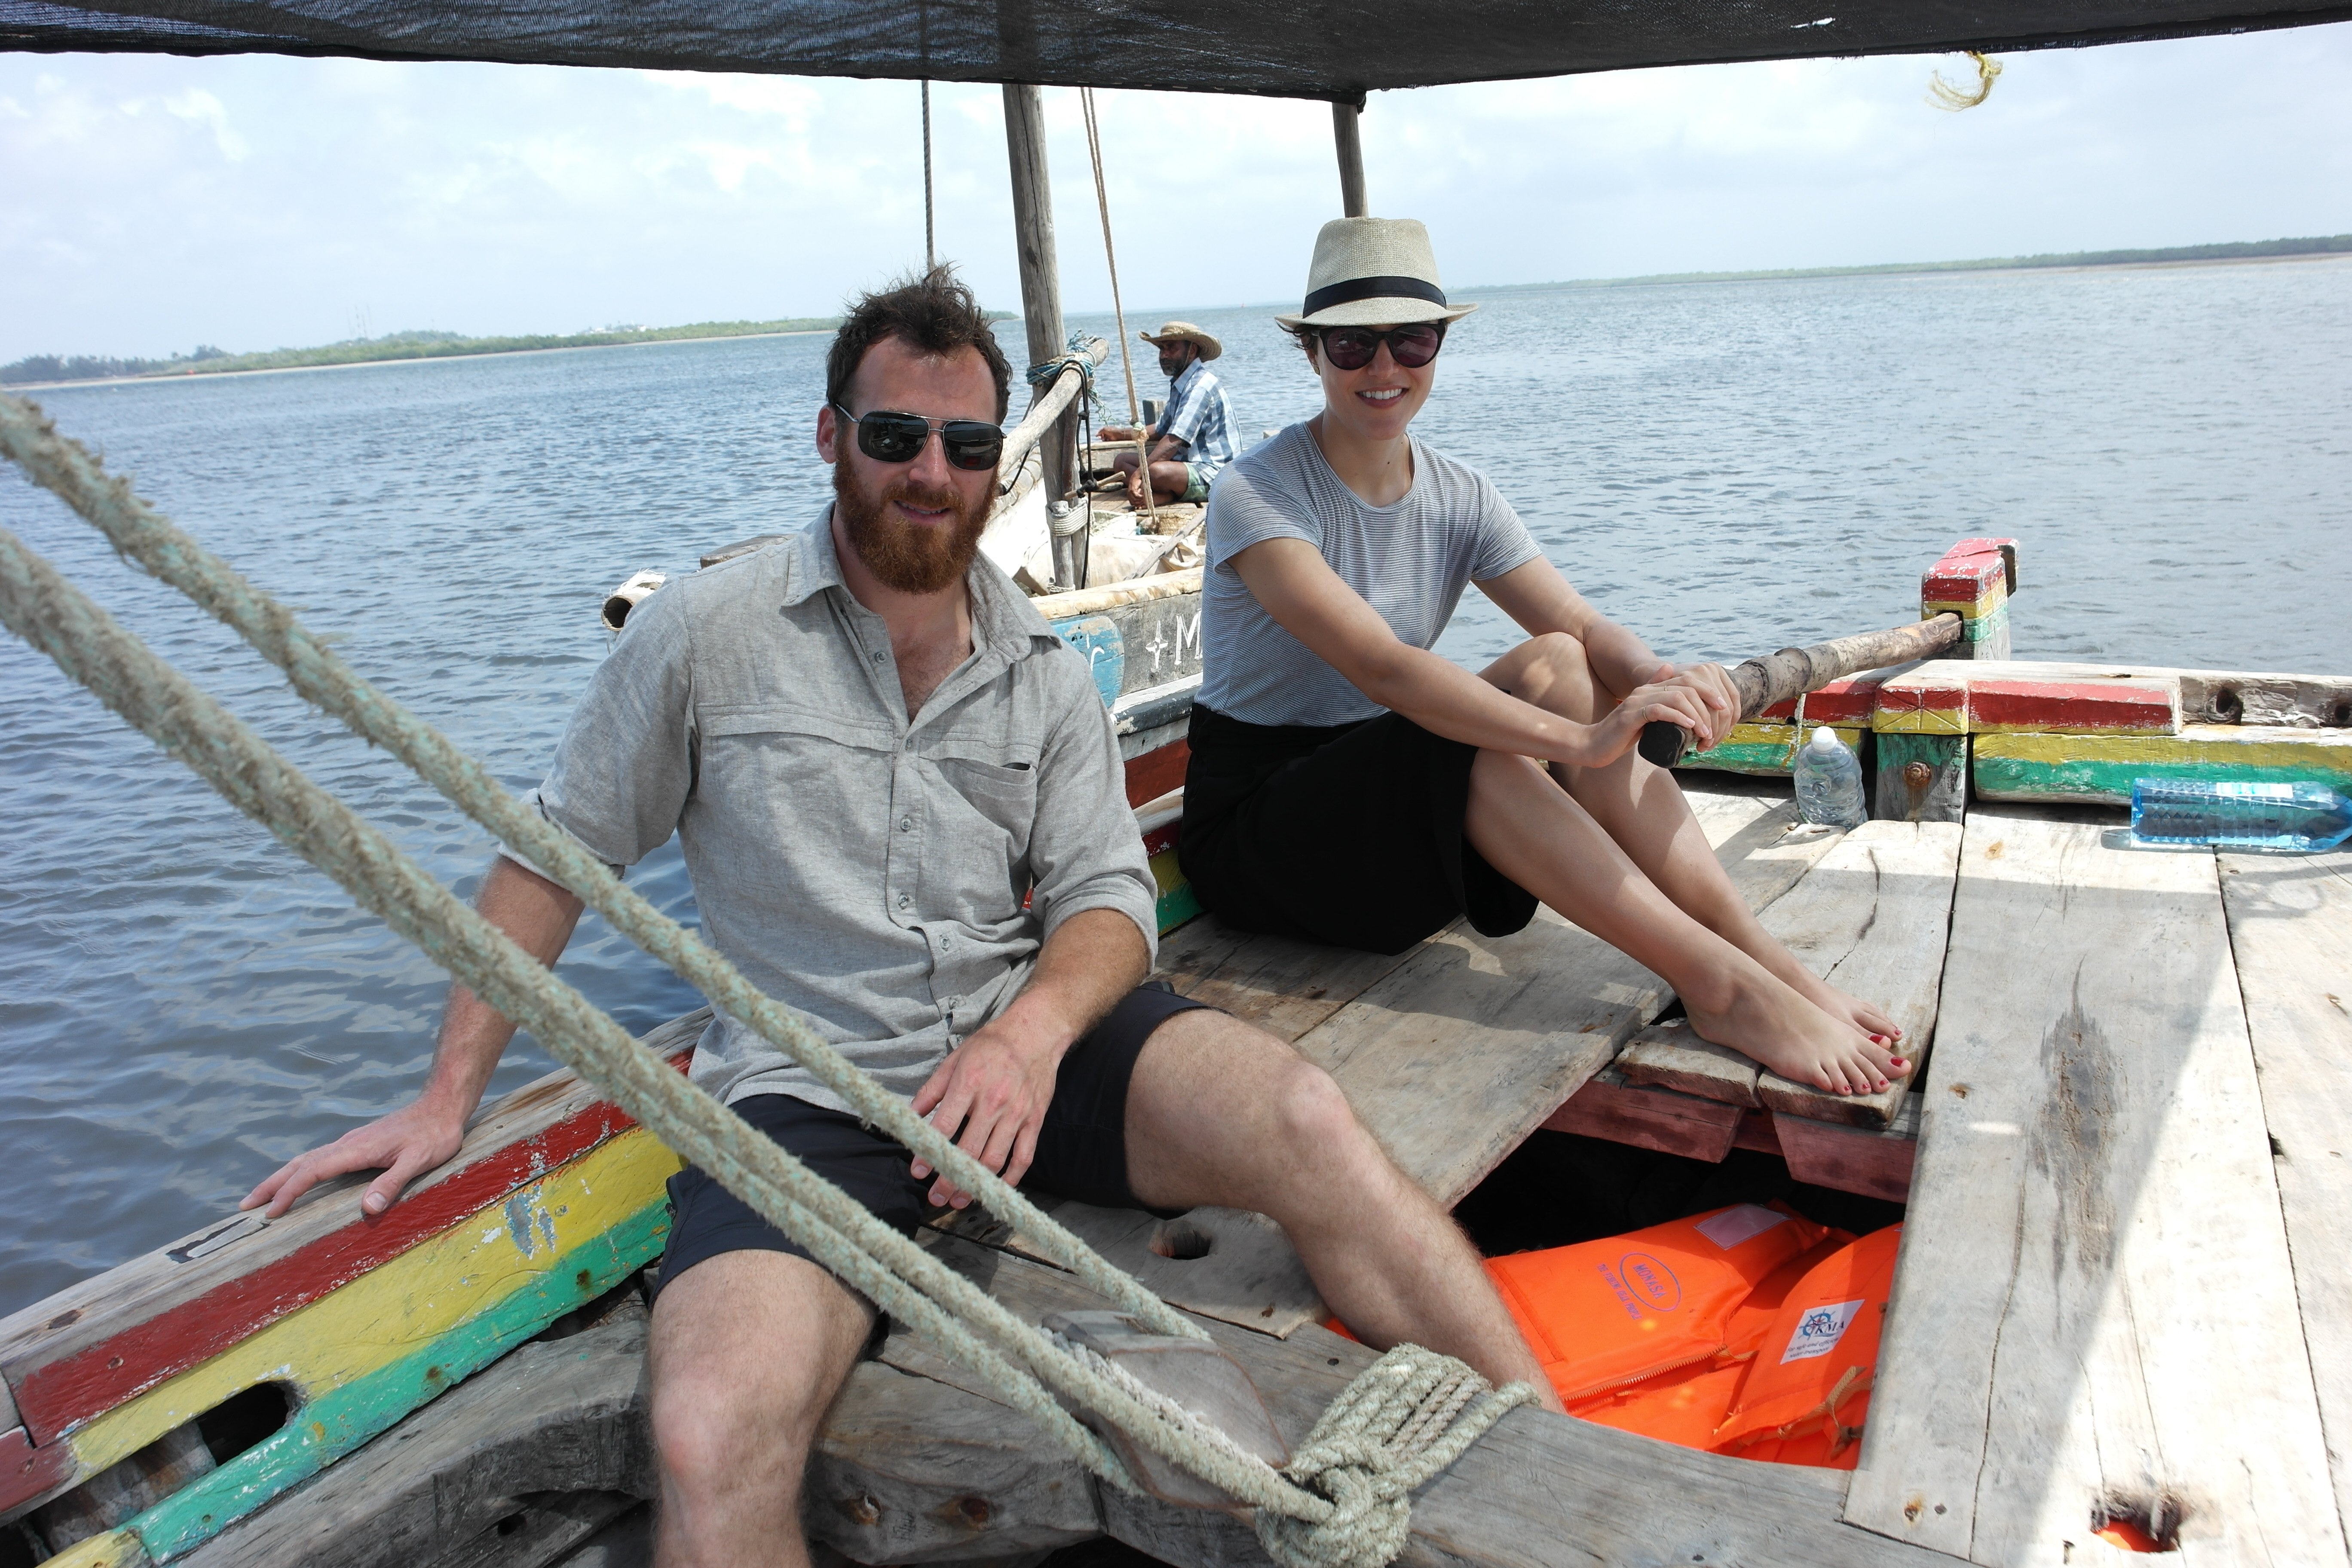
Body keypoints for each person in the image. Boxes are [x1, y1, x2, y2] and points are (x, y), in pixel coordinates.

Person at [241, 266, 1565, 1568]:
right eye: (895, 437)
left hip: (1022, 1048)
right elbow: (557, 854)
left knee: (1308, 1120)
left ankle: (1566, 1475)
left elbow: (1109, 899)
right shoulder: (704, 635)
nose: (932, 471)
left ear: (996, 465)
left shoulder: (1041, 666)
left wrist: (1029, 1037)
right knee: (707, 1436)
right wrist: (445, 1100)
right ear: (833, 438)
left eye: (967, 444)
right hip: (811, 1097)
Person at [1179, 218, 1907, 1098]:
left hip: (1382, 787)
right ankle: (1720, 988)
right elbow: (1385, 669)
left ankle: (1765, 959)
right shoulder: (1257, 492)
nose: (1384, 367)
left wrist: (1661, 683)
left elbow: (1582, 627)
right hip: (1263, 829)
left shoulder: (1459, 494)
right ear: (1312, 354)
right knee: (1475, 746)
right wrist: (1585, 742)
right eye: (1352, 344)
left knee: (1561, 661)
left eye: (1411, 340)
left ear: (1438, 344)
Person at [1096, 320, 1236, 508]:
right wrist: (1119, 434)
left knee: (1155, 472)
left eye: (1172, 348)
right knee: (1122, 462)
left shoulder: (1200, 386)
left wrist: (1139, 475)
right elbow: (1162, 429)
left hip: (1214, 474)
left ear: (1192, 351)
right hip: (1184, 465)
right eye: (1162, 349)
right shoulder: (1181, 384)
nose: (1164, 355)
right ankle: (1166, 494)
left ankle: (1164, 495)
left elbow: (1175, 439)